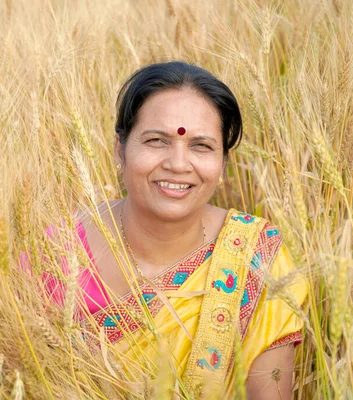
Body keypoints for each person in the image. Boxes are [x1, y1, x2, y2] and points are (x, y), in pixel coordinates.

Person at [38, 61, 308, 399]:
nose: (178, 164)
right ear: (120, 150)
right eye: (156, 140)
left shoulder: (256, 257)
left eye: (201, 146)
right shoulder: (61, 251)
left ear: (223, 162)